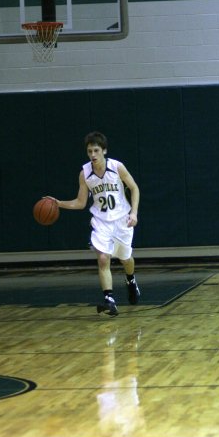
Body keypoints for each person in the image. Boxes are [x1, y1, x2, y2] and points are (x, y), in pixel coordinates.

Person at [48, 131, 140, 316]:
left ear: (104, 151)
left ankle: (131, 280)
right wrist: (59, 203)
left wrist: (134, 213)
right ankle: (109, 299)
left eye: (96, 150)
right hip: (101, 221)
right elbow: (81, 203)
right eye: (89, 151)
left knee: (125, 259)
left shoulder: (117, 167)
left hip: (122, 219)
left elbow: (134, 188)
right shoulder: (85, 173)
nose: (93, 155)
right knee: (103, 258)